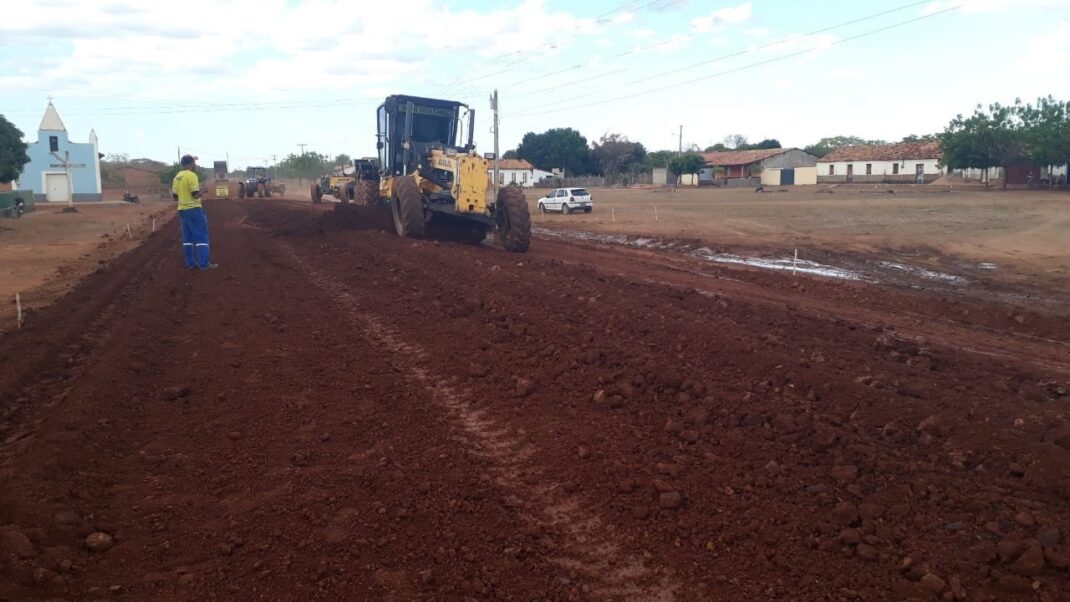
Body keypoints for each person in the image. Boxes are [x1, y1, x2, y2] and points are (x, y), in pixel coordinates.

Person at [172, 155, 217, 270]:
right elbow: (195, 195)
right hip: (194, 209)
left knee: (187, 238)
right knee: (201, 236)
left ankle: (190, 264)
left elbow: (175, 197)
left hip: (182, 210)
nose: (195, 164)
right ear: (190, 163)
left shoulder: (177, 177)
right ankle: (203, 264)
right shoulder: (192, 176)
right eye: (194, 162)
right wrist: (203, 190)